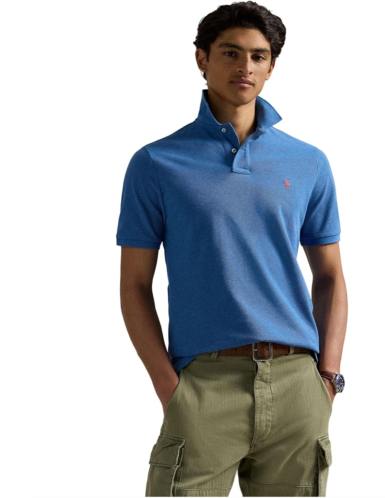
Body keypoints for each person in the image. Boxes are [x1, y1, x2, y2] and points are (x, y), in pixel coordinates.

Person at [116, 2, 348, 496]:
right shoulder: (156, 163)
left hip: (297, 384)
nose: (245, 67)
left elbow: (330, 275)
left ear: (271, 66)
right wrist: (169, 387)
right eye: (230, 52)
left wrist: (327, 378)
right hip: (204, 383)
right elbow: (134, 285)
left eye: (259, 56)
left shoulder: (308, 162)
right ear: (201, 58)